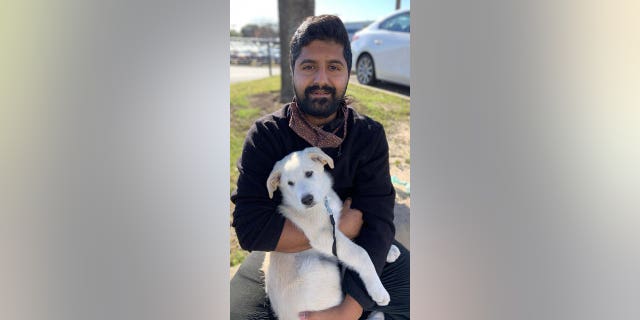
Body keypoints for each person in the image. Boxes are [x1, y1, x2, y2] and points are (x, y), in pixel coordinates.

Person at [230, 15, 410, 320]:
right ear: (293, 71)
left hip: (358, 245)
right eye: (309, 66)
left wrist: (346, 312)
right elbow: (250, 229)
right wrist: (338, 228)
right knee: (237, 313)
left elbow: (378, 221)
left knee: (412, 297)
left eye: (334, 67)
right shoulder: (266, 135)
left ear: (348, 73)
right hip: (286, 257)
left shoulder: (368, 135)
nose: (321, 80)